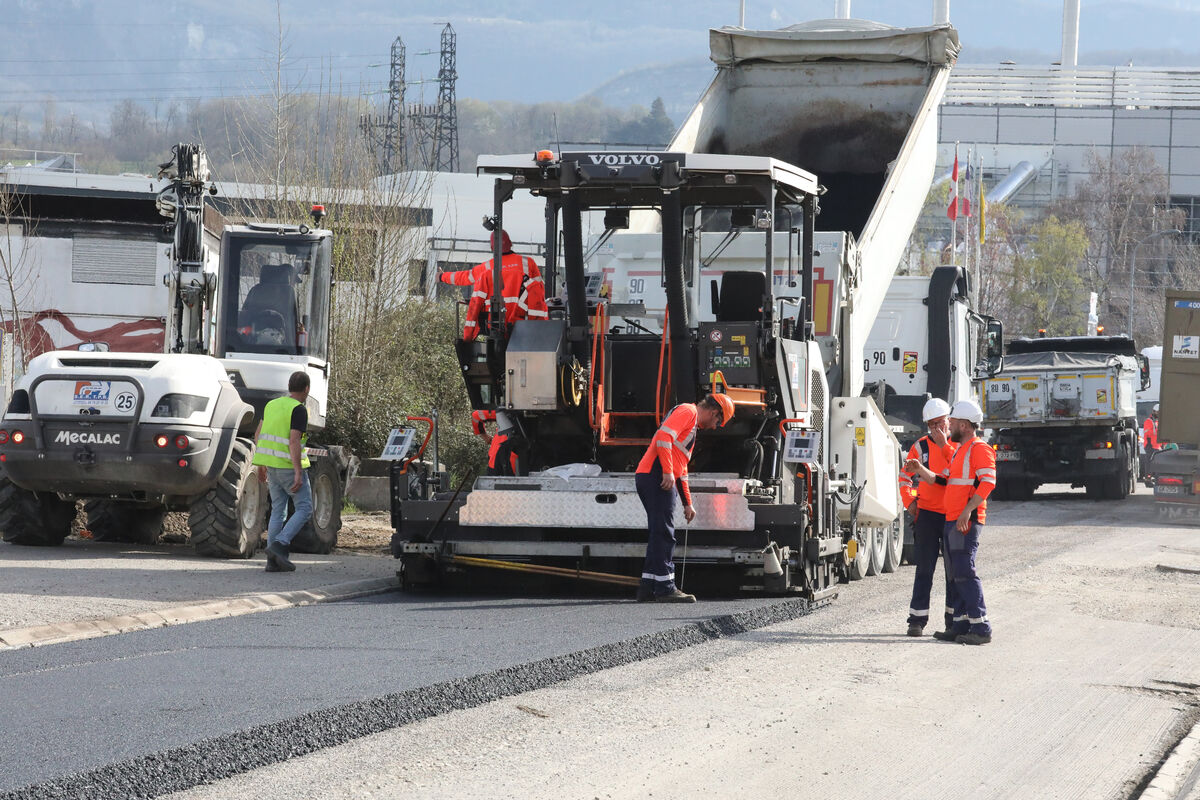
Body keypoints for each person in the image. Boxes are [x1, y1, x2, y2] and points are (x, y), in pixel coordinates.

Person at [908, 399, 996, 645]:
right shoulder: (961, 451)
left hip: (964, 519)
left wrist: (968, 510)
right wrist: (920, 470)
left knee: (964, 572)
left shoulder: (978, 449)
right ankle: (959, 625)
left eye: (953, 422)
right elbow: (942, 480)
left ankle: (980, 627)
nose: (948, 427)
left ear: (965, 426)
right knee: (957, 572)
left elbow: (988, 482)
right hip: (952, 519)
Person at [634, 393, 735, 603]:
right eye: (718, 421)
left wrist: (687, 503)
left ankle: (649, 587)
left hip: (651, 475)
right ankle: (665, 588)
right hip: (656, 475)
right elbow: (663, 437)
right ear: (715, 412)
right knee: (664, 533)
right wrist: (667, 471)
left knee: (658, 532)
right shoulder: (688, 412)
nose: (715, 426)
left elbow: (682, 468)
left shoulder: (690, 424)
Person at [898, 397, 960, 638]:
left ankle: (952, 620)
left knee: (953, 571)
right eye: (932, 424)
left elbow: (954, 472)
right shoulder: (920, 447)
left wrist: (944, 444)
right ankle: (917, 620)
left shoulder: (957, 446)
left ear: (949, 421)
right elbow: (905, 478)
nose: (937, 429)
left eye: (941, 423)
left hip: (952, 516)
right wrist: (910, 502)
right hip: (927, 515)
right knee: (924, 568)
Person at [253, 371, 313, 572]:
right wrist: (298, 471)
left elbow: (259, 434)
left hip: (272, 466)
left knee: (278, 509)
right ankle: (279, 545)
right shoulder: (299, 409)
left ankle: (272, 562)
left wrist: (261, 464)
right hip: (288, 467)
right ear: (306, 389)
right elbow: (294, 440)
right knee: (304, 508)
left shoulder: (271, 405)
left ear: (289, 387)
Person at [460, 230, 548, 341]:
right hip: (521, 325)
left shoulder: (486, 268)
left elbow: (465, 278)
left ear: (492, 248)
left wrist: (441, 276)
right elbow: (539, 294)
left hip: (493, 326)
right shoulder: (528, 263)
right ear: (510, 243)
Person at [471, 408, 519, 476]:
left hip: (495, 464)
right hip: (517, 468)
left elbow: (476, 416)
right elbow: (476, 416)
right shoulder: (506, 412)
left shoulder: (506, 412)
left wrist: (484, 436)